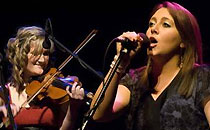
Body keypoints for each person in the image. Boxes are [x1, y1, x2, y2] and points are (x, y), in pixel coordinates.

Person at [90, 1, 210, 130]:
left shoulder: (201, 77)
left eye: (165, 24)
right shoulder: (134, 80)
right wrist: (119, 63)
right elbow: (98, 113)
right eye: (151, 24)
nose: (153, 29)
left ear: (184, 41)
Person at [0, 26, 86, 130]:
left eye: (45, 54)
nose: (42, 60)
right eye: (35, 53)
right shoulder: (3, 93)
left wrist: (73, 107)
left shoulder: (55, 92)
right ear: (20, 55)